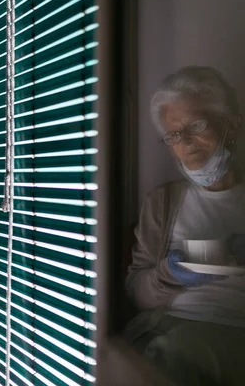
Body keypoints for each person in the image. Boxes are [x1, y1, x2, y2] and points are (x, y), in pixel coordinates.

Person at [125, 66, 245, 386]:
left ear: (230, 124)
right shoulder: (162, 203)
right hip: (176, 329)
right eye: (174, 134)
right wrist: (171, 273)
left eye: (196, 125)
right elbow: (138, 292)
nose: (186, 141)